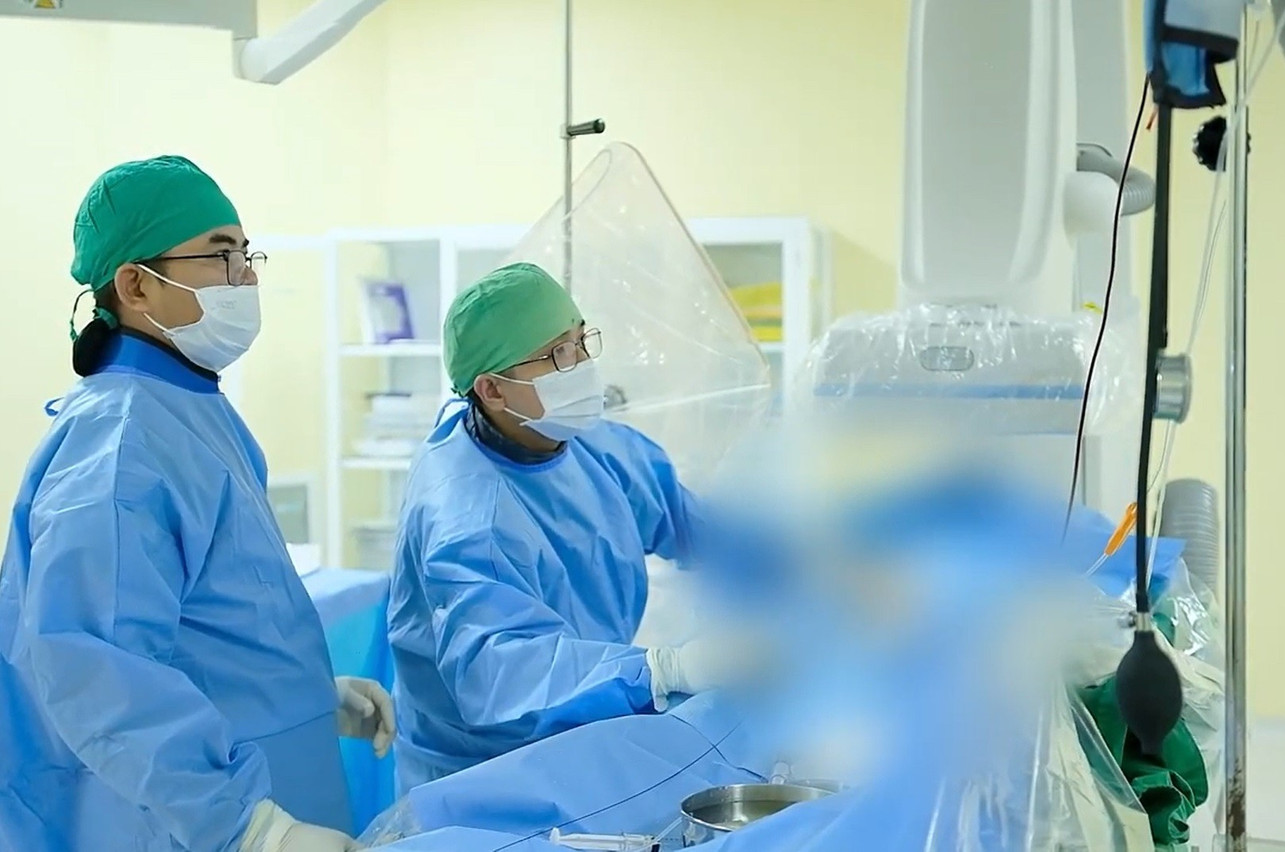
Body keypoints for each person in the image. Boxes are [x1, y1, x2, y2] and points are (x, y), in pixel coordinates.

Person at [0, 155, 395, 852]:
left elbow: (210, 614)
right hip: (186, 822)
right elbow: (97, 668)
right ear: (135, 285)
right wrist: (250, 827)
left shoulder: (188, 408)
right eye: (219, 255)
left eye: (246, 254)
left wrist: (307, 696)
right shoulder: (120, 445)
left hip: (257, 777)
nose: (246, 277)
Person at [389, 262, 745, 792]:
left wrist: (814, 560)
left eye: (581, 341)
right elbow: (500, 671)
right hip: (480, 773)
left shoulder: (593, 447)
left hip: (583, 728)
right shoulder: (466, 512)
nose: (581, 365)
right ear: (492, 390)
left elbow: (696, 526)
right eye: (558, 354)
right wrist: (666, 670)